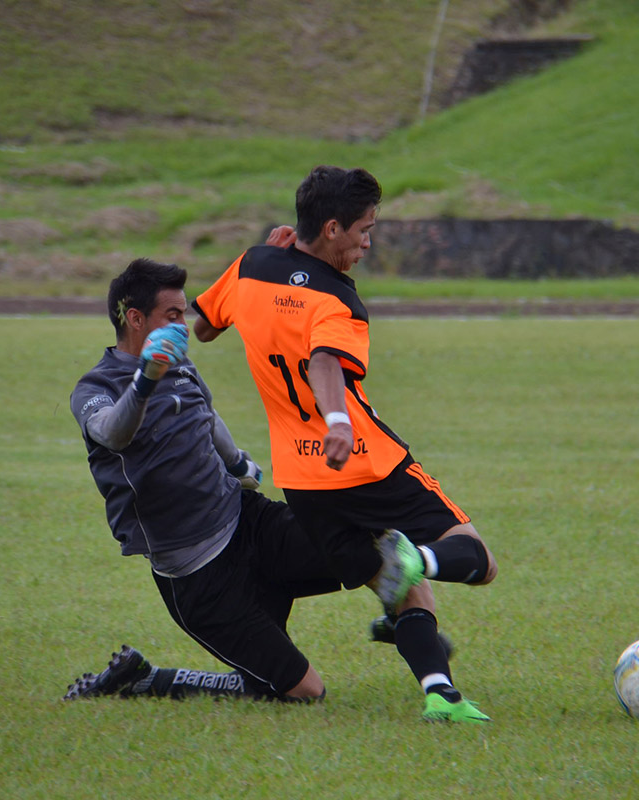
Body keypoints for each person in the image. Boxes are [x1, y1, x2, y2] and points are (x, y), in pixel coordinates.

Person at [192, 165, 498, 723]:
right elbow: (325, 360)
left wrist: (263, 259)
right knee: (474, 556)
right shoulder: (338, 299)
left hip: (305, 483)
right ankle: (419, 560)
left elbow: (204, 327)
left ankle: (442, 696)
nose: (368, 241)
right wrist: (336, 418)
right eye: (364, 228)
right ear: (331, 228)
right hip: (365, 461)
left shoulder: (251, 267)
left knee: (394, 580)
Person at [62, 256, 415, 703]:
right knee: (304, 692)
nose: (183, 325)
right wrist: (147, 377)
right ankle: (147, 680)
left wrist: (237, 464)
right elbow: (114, 433)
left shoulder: (181, 363)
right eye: (172, 316)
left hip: (246, 523)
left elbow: (205, 413)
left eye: (184, 314)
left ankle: (412, 636)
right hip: (197, 576)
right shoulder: (95, 388)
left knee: (368, 545)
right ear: (135, 319)